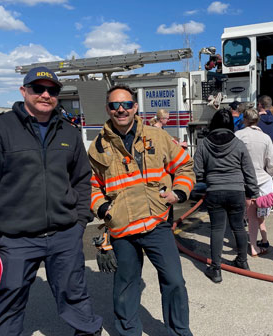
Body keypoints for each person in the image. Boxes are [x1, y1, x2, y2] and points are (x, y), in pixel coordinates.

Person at [0, 66, 103, 335]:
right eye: (38, 88)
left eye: (52, 90)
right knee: (9, 302)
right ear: (24, 91)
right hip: (17, 239)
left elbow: (82, 180)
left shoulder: (69, 132)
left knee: (75, 297)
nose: (45, 94)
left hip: (65, 235)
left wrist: (80, 221)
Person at [88, 85, 194, 335]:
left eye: (126, 104)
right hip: (122, 227)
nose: (121, 109)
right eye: (114, 105)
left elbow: (185, 167)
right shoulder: (98, 147)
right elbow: (89, 186)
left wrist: (178, 193)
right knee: (125, 285)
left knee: (175, 281)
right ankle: (128, 332)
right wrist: (104, 209)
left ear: (135, 107)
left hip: (156, 223)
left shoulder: (157, 137)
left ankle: (179, 332)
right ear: (108, 109)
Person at [193, 108, 259, 283]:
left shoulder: (204, 144)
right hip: (237, 191)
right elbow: (249, 170)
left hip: (214, 191)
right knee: (238, 227)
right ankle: (242, 261)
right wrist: (253, 192)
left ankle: (215, 269)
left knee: (217, 229)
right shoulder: (238, 143)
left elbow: (197, 171)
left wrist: (206, 180)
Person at [235, 107, 273, 257]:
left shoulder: (238, 136)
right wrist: (269, 174)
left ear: (244, 120)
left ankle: (253, 246)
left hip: (244, 180)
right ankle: (262, 241)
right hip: (263, 180)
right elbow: (270, 163)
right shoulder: (266, 138)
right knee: (260, 214)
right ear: (257, 120)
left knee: (251, 216)